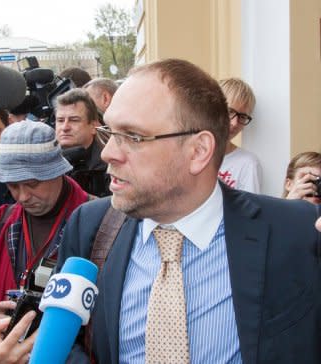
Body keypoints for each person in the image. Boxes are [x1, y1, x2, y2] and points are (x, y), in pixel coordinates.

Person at [57, 59, 321, 363]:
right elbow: (64, 342)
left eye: (132, 137)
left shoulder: (299, 233)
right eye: (109, 131)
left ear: (198, 151)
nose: (108, 153)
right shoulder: (88, 225)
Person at [0, 120, 90, 345]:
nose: (22, 197)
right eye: (12, 185)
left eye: (32, 183)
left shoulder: (97, 223)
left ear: (57, 171)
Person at [55, 88, 110, 197]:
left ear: (94, 126)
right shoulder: (46, 163)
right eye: (60, 120)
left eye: (74, 120)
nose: (65, 127)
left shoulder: (110, 165)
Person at [217, 77, 263, 193]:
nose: (234, 123)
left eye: (242, 117)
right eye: (230, 111)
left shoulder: (247, 164)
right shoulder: (188, 152)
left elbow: (248, 208)